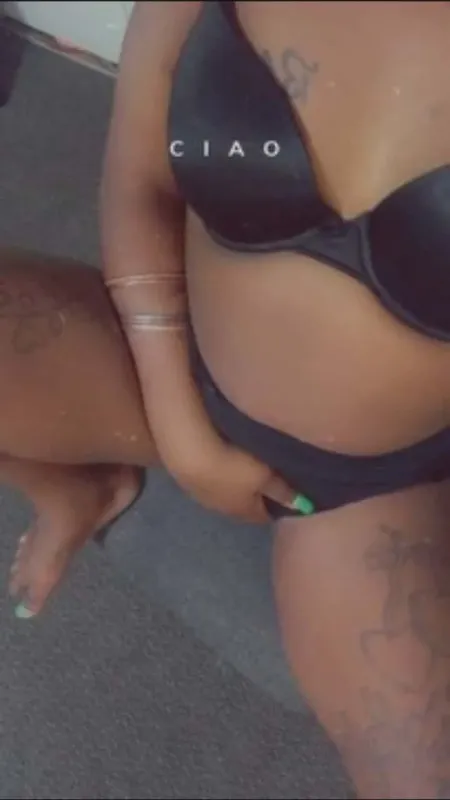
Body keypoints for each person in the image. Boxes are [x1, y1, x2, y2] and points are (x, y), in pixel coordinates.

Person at [2, 1, 450, 795]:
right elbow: (140, 175)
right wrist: (181, 428)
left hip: (362, 489)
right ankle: (76, 489)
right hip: (164, 357)